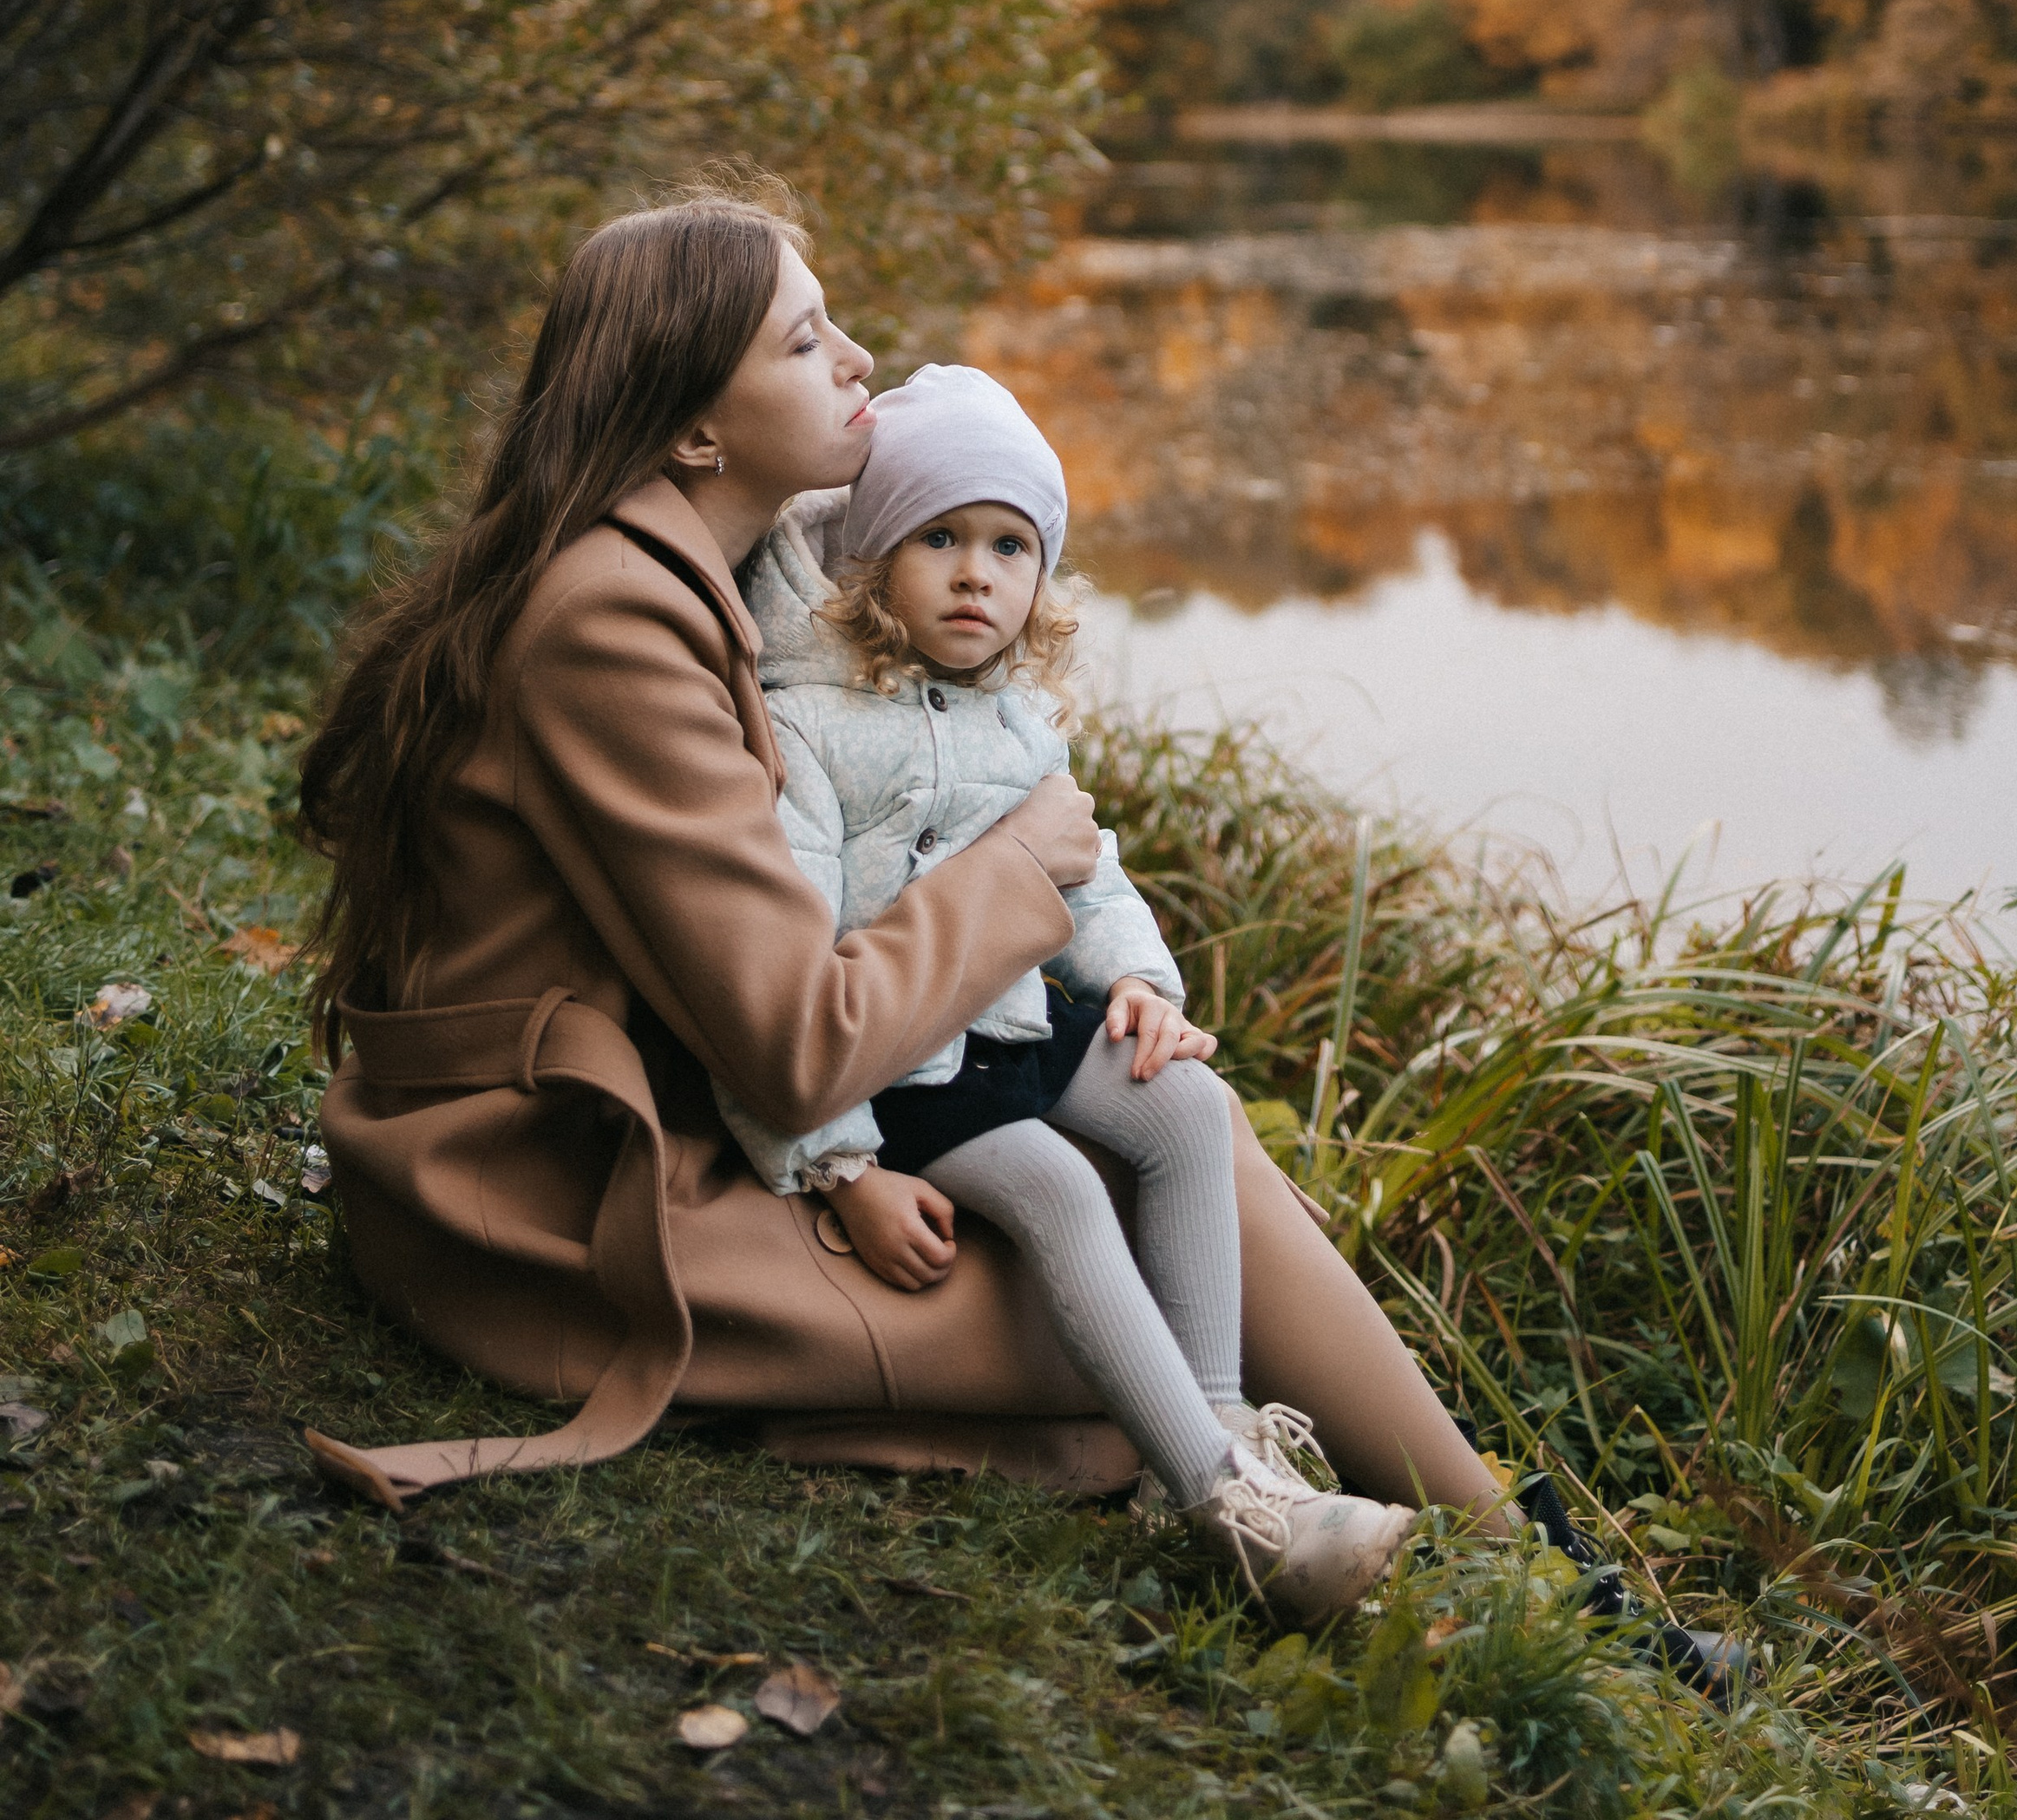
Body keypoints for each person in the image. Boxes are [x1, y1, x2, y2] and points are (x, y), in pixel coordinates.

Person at [296, 180, 1516, 1544]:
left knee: (1183, 1133)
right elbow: (799, 1045)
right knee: (1143, 1269)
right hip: (544, 1208)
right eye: (806, 340)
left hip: (662, 1116)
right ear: (698, 428)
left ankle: (1476, 1538)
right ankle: (1465, 1550)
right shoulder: (612, 625)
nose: (858, 360)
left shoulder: (694, 569)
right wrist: (1027, 860)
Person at [720, 361, 1415, 1621]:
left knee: (1191, 1111)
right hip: (900, 1060)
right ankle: (1235, 1514)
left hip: (1017, 1017)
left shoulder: (1018, 720)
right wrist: (844, 1170)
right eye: (939, 538)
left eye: (1008, 544)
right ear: (874, 559)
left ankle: (1219, 1438)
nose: (977, 573)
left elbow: (1089, 884)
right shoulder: (806, 730)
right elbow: (773, 970)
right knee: (1051, 1188)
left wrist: (1143, 983)